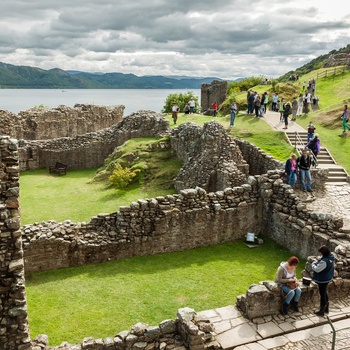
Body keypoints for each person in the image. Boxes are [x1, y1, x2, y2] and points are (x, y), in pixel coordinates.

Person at [312, 246, 335, 316]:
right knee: (325, 292)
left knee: (322, 294)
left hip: (323, 279)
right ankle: (326, 308)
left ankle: (322, 310)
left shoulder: (324, 262)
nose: (321, 254)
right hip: (328, 278)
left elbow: (317, 269)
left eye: (321, 253)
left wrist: (313, 264)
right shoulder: (331, 257)